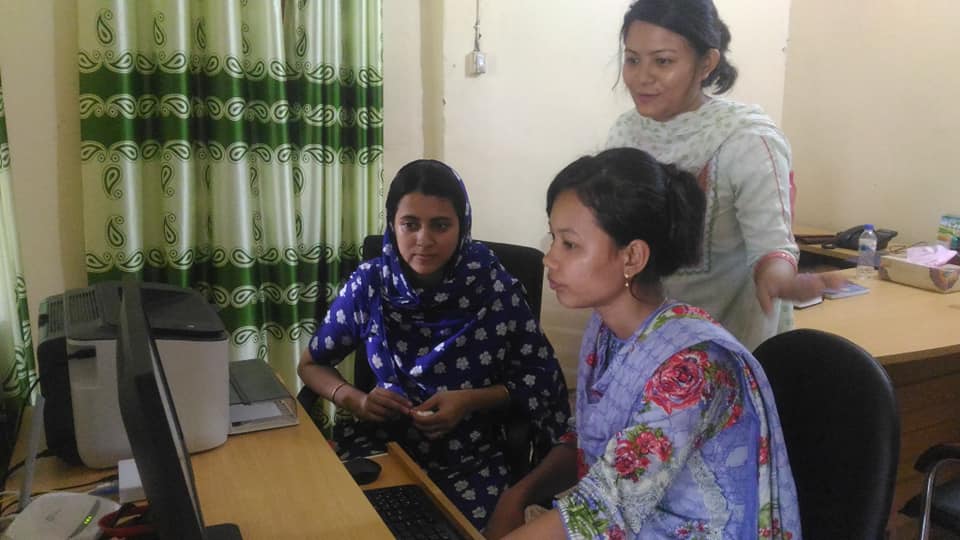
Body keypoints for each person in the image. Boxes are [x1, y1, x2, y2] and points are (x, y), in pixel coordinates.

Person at [485, 147, 801, 539]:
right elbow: (588, 439)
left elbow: (605, 507)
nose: (549, 259)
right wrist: (519, 494)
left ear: (632, 257)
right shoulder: (606, 331)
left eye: (569, 244)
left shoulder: (690, 367)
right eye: (553, 239)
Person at [298, 159, 570, 530]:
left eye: (440, 225)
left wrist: (470, 400)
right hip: (382, 449)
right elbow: (311, 364)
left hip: (471, 459)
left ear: (462, 225)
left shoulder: (493, 287)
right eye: (410, 224)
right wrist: (356, 400)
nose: (424, 240)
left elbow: (542, 379)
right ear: (393, 224)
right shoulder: (371, 284)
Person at [605, 0, 838, 350]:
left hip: (720, 345)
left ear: (706, 64)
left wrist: (781, 280)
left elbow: (771, 245)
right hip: (640, 337)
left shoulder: (746, 139)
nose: (642, 77)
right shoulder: (625, 132)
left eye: (663, 61)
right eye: (633, 59)